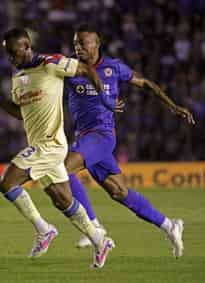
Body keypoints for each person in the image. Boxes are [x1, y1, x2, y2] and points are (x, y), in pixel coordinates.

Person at [0, 27, 114, 268]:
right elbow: (20, 113)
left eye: (14, 53)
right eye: (7, 55)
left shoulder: (52, 63)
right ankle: (99, 240)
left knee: (6, 183)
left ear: (27, 47)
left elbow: (86, 69)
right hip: (38, 144)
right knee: (62, 199)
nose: (11, 59)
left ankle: (44, 229)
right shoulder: (18, 78)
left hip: (51, 144)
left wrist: (105, 98)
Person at [64, 24, 195, 258]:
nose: (78, 47)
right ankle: (170, 225)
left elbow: (145, 83)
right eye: (75, 43)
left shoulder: (113, 68)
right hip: (85, 139)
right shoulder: (70, 68)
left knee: (63, 170)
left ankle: (93, 226)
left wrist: (173, 106)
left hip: (102, 136)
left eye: (83, 43)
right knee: (119, 192)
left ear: (97, 43)